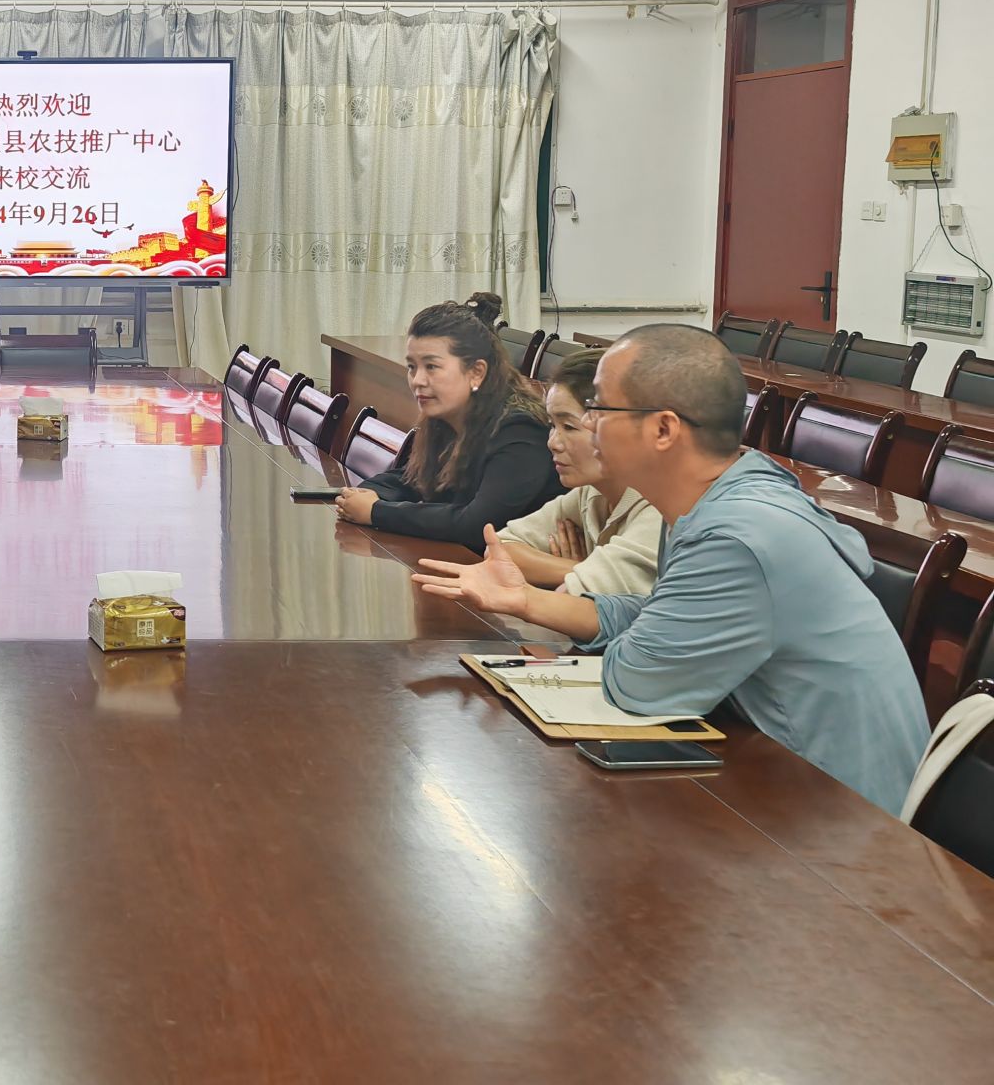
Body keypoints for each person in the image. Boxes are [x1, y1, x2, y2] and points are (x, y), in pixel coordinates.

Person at [413, 324, 930, 812]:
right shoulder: (708, 498)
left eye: (599, 408)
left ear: (663, 429)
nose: (586, 424)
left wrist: (643, 637)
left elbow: (639, 682)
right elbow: (657, 614)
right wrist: (528, 600)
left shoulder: (737, 535)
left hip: (839, 816)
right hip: (776, 777)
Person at [335, 292, 561, 551]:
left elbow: (478, 525)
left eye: (431, 367)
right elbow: (413, 479)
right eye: (412, 367)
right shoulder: (450, 415)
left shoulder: (520, 430)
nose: (417, 380)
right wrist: (364, 494)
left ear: (476, 372)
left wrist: (377, 512)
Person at [495, 347, 661, 596]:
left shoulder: (660, 509)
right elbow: (499, 549)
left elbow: (572, 597)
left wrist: (577, 576)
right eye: (552, 425)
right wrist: (578, 569)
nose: (553, 442)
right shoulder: (591, 491)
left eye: (569, 427)